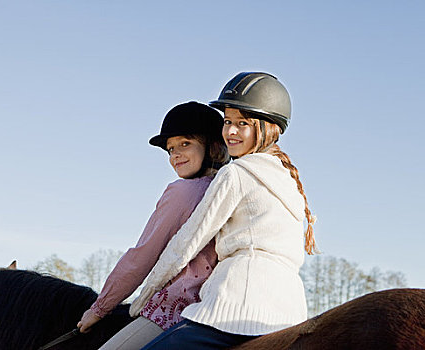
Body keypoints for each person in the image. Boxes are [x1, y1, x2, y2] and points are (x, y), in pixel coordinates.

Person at [129, 72, 318, 349]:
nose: (230, 131)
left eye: (242, 123)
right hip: (289, 315)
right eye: (228, 121)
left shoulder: (237, 173)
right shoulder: (291, 182)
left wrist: (143, 298)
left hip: (236, 309)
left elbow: (186, 244)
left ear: (268, 128)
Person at [76, 101, 229, 350]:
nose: (175, 155)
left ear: (212, 146)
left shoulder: (182, 192)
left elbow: (141, 257)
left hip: (176, 308)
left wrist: (99, 308)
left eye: (185, 144)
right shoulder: (228, 188)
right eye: (170, 149)